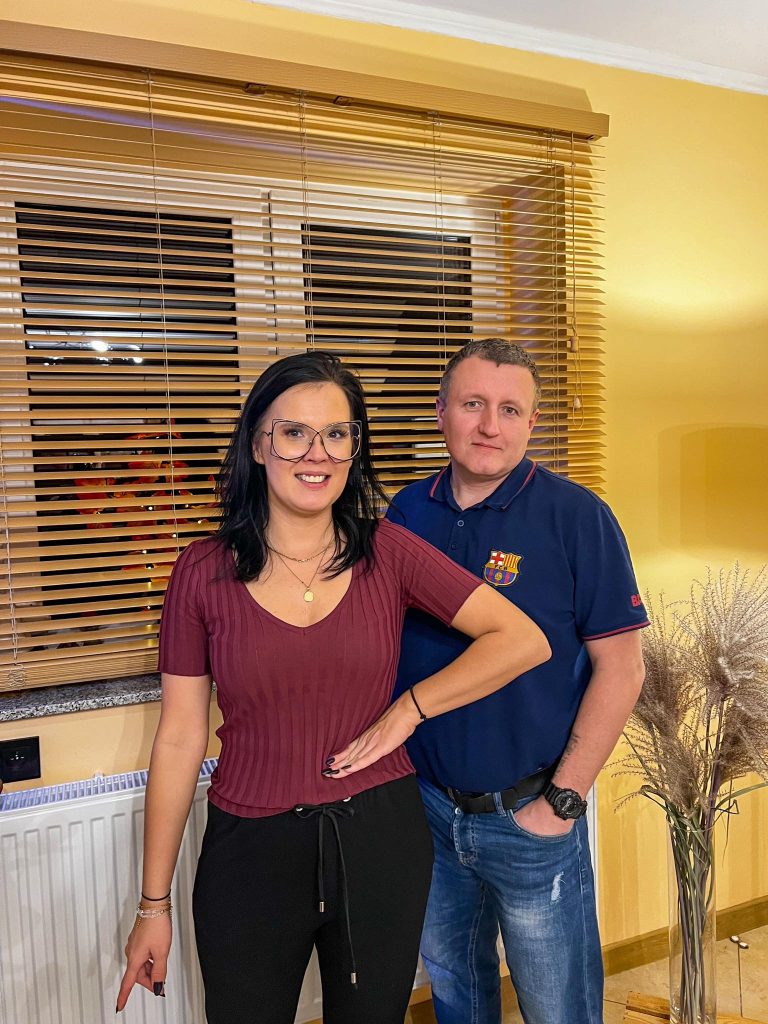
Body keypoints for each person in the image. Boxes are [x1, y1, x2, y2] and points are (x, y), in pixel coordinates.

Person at [116, 351, 550, 1024]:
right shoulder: (201, 573)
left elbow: (522, 639)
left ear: (353, 449)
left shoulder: (389, 552)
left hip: (380, 842)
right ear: (258, 443)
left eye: (337, 433)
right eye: (294, 432)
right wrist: (153, 906)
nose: (316, 453)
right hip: (249, 852)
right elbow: (179, 738)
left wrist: (410, 709)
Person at [387, 338, 648, 1024]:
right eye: (472, 404)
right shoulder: (407, 513)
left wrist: (562, 801)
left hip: (531, 816)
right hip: (431, 812)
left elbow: (622, 668)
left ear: (532, 423)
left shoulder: (576, 516)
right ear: (441, 411)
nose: (489, 426)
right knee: (455, 995)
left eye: (509, 410)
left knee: (559, 1009)